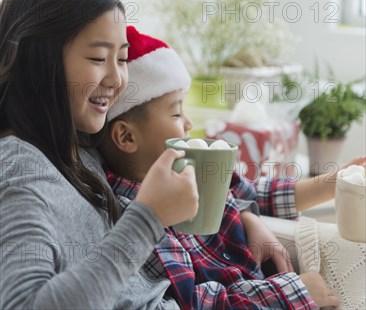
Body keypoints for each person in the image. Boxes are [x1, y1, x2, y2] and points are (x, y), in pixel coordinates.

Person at [97, 26, 365, 310]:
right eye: (176, 112)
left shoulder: (187, 170)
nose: (188, 124)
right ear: (127, 137)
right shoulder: (135, 220)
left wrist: (331, 183)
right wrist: (292, 292)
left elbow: (250, 190)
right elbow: (190, 303)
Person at [0, 0, 199, 310]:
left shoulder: (75, 144)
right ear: (39, 60)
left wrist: (247, 217)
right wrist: (147, 218)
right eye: (97, 58)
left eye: (121, 59)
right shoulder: (21, 172)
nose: (117, 78)